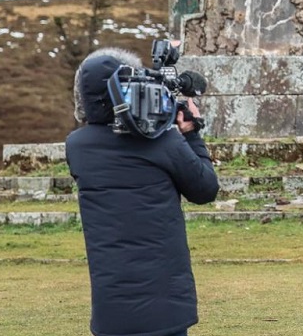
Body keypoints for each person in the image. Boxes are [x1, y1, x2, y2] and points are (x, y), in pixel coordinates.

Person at [66, 48, 219, 336]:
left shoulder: (77, 147)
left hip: (111, 310)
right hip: (166, 308)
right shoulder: (162, 142)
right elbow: (205, 189)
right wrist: (191, 134)